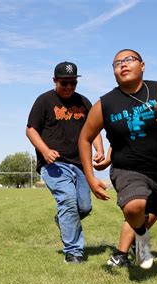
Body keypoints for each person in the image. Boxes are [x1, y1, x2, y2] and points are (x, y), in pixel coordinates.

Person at [79, 49, 157, 280]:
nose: (123, 65)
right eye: (117, 63)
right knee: (133, 207)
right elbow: (84, 138)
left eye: (129, 60)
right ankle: (142, 236)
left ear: (142, 65)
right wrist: (90, 178)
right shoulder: (105, 104)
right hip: (128, 168)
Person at [26, 61, 105, 264]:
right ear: (55, 80)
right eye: (64, 83)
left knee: (85, 207)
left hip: (80, 164)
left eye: (73, 83)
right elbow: (31, 129)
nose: (69, 87)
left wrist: (100, 149)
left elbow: (93, 129)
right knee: (68, 201)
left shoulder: (84, 102)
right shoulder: (44, 101)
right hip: (54, 164)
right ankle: (74, 252)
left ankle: (63, 219)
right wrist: (44, 151)